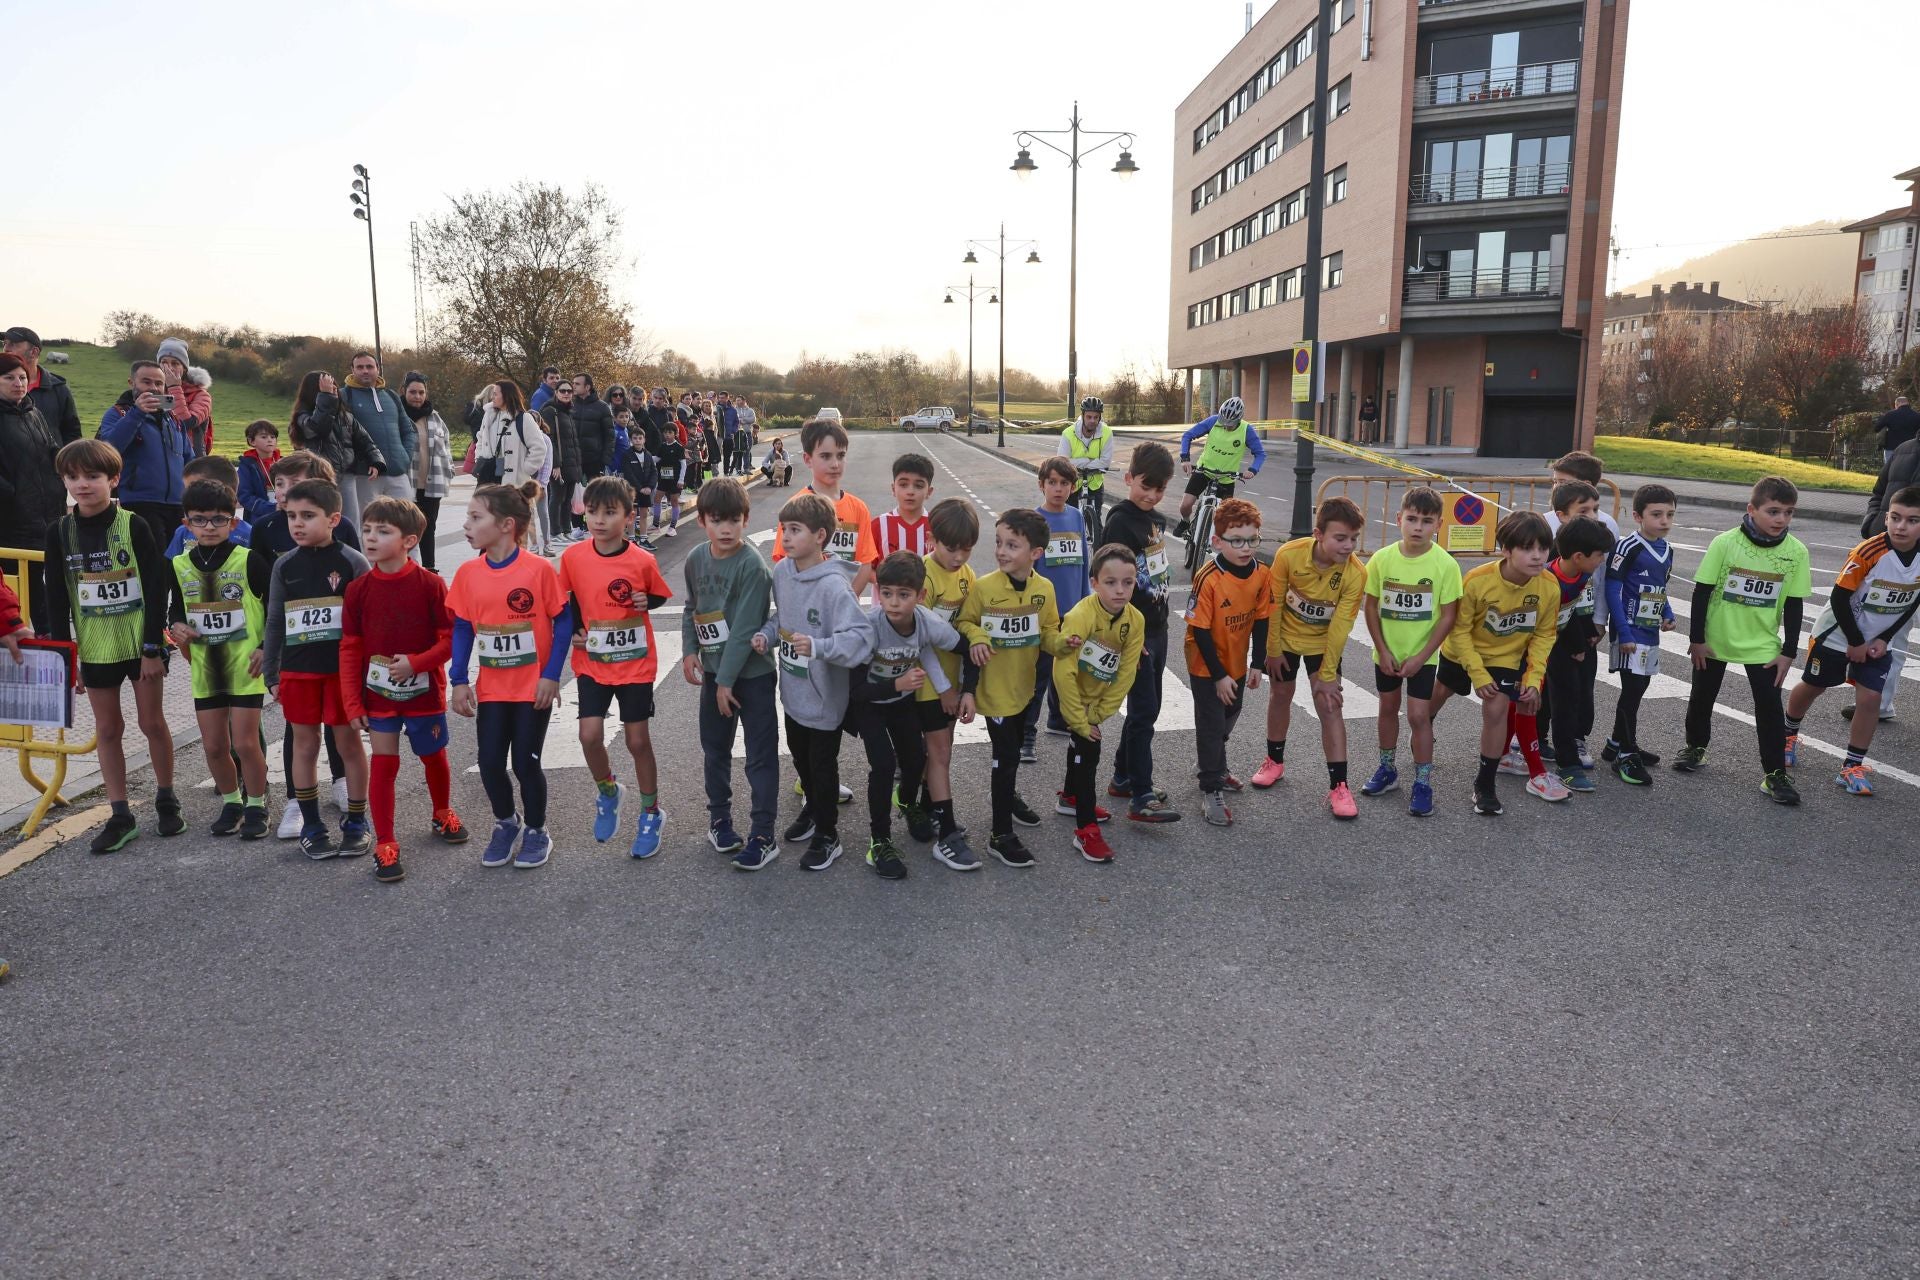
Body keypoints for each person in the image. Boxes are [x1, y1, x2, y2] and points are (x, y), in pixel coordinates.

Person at [43, 439, 181, 852]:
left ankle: (166, 798)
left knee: (151, 722)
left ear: (113, 479)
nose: (82, 484)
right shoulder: (59, 532)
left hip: (140, 644)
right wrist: (64, 655)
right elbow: (56, 598)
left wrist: (154, 646)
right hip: (95, 648)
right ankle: (120, 814)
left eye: (92, 476)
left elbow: (156, 587)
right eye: (73, 477)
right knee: (107, 729)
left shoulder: (134, 525)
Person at [340, 496, 464, 885]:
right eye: (367, 530)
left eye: (383, 531)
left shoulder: (430, 585)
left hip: (424, 693)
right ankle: (386, 842)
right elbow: (350, 647)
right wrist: (352, 699)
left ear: (409, 541)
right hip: (378, 697)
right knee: (384, 763)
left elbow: (450, 639)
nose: (371, 538)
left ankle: (442, 812)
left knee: (433, 757)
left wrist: (417, 663)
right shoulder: (358, 590)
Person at [448, 481, 571, 869]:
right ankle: (506, 822)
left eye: (474, 517)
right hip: (493, 688)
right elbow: (463, 627)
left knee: (525, 763)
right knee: (488, 762)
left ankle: (537, 830)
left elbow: (564, 622)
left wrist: (552, 675)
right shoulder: (468, 574)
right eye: (467, 516)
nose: (466, 524)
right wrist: (458, 680)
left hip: (533, 688)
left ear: (505, 525)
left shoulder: (537, 570)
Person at [752, 492, 874, 872]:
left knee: (822, 766)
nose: (785, 537)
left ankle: (828, 833)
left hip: (825, 700)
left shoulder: (835, 587)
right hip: (792, 693)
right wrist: (767, 635)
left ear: (820, 536)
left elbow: (861, 639)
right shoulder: (783, 572)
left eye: (794, 530)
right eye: (783, 529)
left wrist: (819, 647)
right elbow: (782, 619)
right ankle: (816, 810)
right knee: (801, 760)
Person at [1671, 477, 1810, 805]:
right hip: (1716, 639)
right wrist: (1697, 640)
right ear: (1752, 509)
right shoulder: (1725, 543)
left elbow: (1794, 604)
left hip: (1762, 645)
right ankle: (1695, 746)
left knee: (1770, 709)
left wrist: (1789, 651)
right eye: (1773, 511)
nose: (1781, 520)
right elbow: (1702, 590)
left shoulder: (1796, 552)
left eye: (1788, 513)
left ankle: (1774, 774)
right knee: (1702, 696)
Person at [559, 477, 673, 858]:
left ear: (627, 517)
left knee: (636, 741)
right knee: (588, 735)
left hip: (635, 664)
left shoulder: (642, 560)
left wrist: (646, 602)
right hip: (592, 660)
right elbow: (570, 598)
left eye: (610, 513)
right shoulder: (573, 557)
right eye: (593, 512)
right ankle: (609, 791)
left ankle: (651, 812)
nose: (600, 520)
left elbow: (656, 595)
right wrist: (575, 629)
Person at [260, 477, 372, 859]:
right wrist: (271, 672)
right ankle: (310, 822)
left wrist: (367, 676)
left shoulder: (353, 561)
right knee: (303, 745)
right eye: (291, 516)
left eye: (308, 516)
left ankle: (356, 821)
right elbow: (274, 621)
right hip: (299, 671)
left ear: (334, 518)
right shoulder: (284, 565)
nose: (298, 524)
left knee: (348, 744)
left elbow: (368, 623)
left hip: (343, 674)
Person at [1783, 485, 1920, 797]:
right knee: (1816, 685)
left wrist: (1885, 637)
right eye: (1896, 518)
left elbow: (1913, 599)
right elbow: (1840, 597)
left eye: (1913, 520)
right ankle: (1788, 734)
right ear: (1886, 518)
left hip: (1875, 641)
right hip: (1838, 634)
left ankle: (1851, 767)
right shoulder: (1869, 552)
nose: (1902, 526)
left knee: (1871, 699)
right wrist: (1855, 641)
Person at [955, 508, 1071, 868]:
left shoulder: (1044, 589)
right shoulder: (985, 587)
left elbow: (1049, 632)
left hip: (1026, 689)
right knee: (1004, 759)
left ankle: (1010, 797)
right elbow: (964, 621)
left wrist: (1065, 643)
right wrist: (975, 637)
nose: (1002, 551)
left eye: (1012, 545)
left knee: (1014, 753)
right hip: (995, 691)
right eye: (999, 543)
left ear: (1035, 553)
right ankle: (1000, 834)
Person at [1428, 511, 1561, 816]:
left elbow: (1543, 636)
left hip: (1505, 658)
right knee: (1435, 699)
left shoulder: (1549, 586)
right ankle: (1426, 725)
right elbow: (1459, 631)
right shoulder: (1477, 581)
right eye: (1528, 548)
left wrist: (1532, 680)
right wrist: (1476, 672)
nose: (1538, 556)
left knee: (1497, 708)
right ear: (1506, 550)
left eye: (1543, 548)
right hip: (1463, 651)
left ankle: (1484, 785)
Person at [680, 477, 781, 871]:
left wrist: (725, 682)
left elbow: (742, 630)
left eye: (734, 520)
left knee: (759, 755)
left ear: (746, 520)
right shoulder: (695, 559)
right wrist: (690, 648)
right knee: (715, 749)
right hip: (714, 674)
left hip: (751, 676)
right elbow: (693, 607)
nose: (726, 528)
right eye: (716, 519)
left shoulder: (753, 567)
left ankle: (762, 834)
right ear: (701, 520)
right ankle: (719, 819)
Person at [849, 551, 969, 878]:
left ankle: (907, 802)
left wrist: (961, 689)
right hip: (870, 705)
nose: (893, 602)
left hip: (901, 703)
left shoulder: (928, 622)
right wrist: (897, 683)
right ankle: (880, 841)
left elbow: (965, 645)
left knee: (916, 759)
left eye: (904, 595)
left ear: (921, 596)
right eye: (886, 593)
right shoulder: (868, 626)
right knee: (885, 765)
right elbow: (857, 691)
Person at [165, 477, 272, 839]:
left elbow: (273, 609)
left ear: (233, 521)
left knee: (244, 743)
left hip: (245, 666)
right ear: (186, 524)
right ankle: (231, 801)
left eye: (217, 519)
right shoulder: (179, 565)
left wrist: (265, 649)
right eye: (199, 520)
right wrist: (176, 627)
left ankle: (257, 803)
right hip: (206, 669)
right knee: (214, 745)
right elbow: (175, 612)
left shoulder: (251, 560)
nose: (208, 527)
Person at [1254, 496, 1366, 818]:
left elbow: (1341, 628)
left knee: (1329, 706)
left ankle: (1339, 786)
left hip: (1322, 644)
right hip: (1285, 638)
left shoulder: (1355, 574)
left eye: (1354, 539)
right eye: (1340, 538)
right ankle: (1274, 761)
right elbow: (1273, 605)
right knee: (1279, 695)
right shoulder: (1289, 555)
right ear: (1319, 534)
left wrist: (1328, 675)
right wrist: (1271, 651)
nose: (1348, 546)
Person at [1357, 487, 1461, 816]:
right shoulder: (1382, 559)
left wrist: (1422, 656)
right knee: (1387, 708)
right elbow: (1370, 608)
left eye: (1426, 521)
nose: (1418, 527)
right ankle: (1387, 769)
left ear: (1438, 525)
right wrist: (1381, 648)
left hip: (1424, 656)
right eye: (1412, 519)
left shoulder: (1445, 564)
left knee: (1418, 716)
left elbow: (1448, 616)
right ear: (1399, 519)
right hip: (1387, 653)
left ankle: (1423, 782)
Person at [1101, 441, 1181, 823]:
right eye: (1145, 486)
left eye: (1160, 489)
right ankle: (1142, 794)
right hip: (1137, 634)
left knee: (1146, 709)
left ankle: (1123, 777)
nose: (1151, 495)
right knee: (1144, 712)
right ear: (1129, 477)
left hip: (1158, 628)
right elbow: (1109, 583)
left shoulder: (1155, 521)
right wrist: (1126, 635)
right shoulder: (1120, 521)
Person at [1183, 498, 1273, 827]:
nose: (1246, 547)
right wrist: (1219, 675)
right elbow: (1200, 631)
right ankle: (1211, 788)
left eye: (1252, 539)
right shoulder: (1208, 578)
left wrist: (1257, 663)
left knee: (1229, 716)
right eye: (1237, 540)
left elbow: (1263, 620)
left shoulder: (1262, 574)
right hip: (1206, 663)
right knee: (1211, 725)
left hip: (1236, 659)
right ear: (1217, 541)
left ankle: (1214, 763)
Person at [1055, 544, 1145, 863]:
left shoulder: (1135, 620)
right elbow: (1063, 670)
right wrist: (1080, 718)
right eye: (1110, 582)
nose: (1120, 590)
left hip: (1096, 699)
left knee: (1083, 747)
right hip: (1069, 694)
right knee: (1088, 752)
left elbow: (1124, 674)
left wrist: (1101, 711)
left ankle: (1070, 796)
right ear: (1094, 582)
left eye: (1128, 582)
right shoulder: (1081, 615)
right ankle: (1085, 829)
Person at [910, 498, 984, 871]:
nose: (958, 557)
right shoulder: (922, 578)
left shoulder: (967, 576)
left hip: (951, 681)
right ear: (930, 539)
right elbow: (920, 642)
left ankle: (926, 808)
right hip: (927, 682)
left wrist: (964, 685)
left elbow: (966, 628)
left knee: (940, 750)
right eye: (950, 547)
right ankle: (947, 836)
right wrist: (944, 688)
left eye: (966, 549)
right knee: (939, 754)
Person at [1602, 484, 1678, 785]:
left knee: (1641, 687)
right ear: (1637, 516)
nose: (1665, 521)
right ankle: (1626, 754)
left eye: (1670, 514)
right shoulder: (1627, 547)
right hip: (1629, 631)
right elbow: (1612, 588)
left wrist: (1668, 613)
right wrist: (1622, 632)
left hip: (1649, 631)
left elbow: (1660, 588)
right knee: (1631, 691)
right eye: (1657, 514)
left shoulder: (1667, 550)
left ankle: (1615, 744)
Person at [1542, 516, 1615, 793]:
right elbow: (1558, 613)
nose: (1601, 561)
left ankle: (1543, 747)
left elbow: (1571, 610)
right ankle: (1568, 766)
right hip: (1541, 643)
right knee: (1563, 700)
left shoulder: (1580, 571)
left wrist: (1586, 635)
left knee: (1563, 696)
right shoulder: (1550, 580)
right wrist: (1576, 648)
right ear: (1578, 556)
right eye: (1599, 556)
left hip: (1559, 636)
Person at [1025, 456, 1091, 757]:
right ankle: (1026, 736)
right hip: (1044, 614)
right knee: (1038, 676)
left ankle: (1058, 718)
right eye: (1052, 482)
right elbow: (1028, 568)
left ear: (1072, 487)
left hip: (1072, 609)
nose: (1058, 488)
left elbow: (1083, 560)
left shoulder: (1077, 517)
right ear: (1042, 485)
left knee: (1065, 670)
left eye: (1064, 483)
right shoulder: (1035, 522)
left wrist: (1085, 602)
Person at [774, 418, 881, 599]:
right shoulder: (795, 506)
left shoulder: (858, 508)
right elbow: (784, 562)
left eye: (840, 455)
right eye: (825, 456)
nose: (835, 464)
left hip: (844, 605)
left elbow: (865, 563)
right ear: (808, 459)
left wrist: (845, 601)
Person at [98, 359, 199, 550]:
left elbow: (189, 460)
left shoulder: (173, 419)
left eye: (159, 383)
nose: (153, 388)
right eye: (146, 382)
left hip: (178, 504)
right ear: (132, 383)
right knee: (155, 563)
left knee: (178, 563)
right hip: (140, 502)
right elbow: (108, 450)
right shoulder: (118, 413)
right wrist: (136, 413)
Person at [0, 352, 67, 611]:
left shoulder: (33, 412)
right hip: (12, 518)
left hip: (47, 512)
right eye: (9, 378)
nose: (19, 383)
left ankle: (45, 636)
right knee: (18, 583)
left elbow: (52, 449)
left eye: (22, 377)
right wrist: (12, 494)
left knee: (48, 579)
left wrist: (67, 473)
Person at [1861, 436, 1920, 722]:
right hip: (1888, 553)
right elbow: (1880, 489)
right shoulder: (1905, 448)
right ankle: (1879, 704)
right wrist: (1873, 519)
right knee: (1890, 628)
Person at [290, 371, 378, 534]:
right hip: (318, 478)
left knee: (350, 525)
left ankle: (351, 558)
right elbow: (319, 428)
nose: (334, 391)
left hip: (346, 477)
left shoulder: (346, 416)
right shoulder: (302, 417)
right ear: (315, 393)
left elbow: (365, 440)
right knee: (323, 524)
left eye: (334, 387)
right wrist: (326, 397)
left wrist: (375, 461)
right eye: (328, 389)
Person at [339, 351, 417, 528]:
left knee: (407, 525)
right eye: (360, 367)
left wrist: (405, 457)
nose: (365, 371)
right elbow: (342, 436)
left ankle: (412, 558)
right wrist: (361, 462)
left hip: (397, 472)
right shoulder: (344, 396)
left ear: (378, 369)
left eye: (369, 366)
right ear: (352, 370)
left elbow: (409, 430)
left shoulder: (391, 396)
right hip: (365, 476)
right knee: (368, 527)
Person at [1175, 396, 1264, 538]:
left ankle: (1206, 540)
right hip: (1204, 471)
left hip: (1227, 478)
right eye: (1224, 421)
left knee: (1224, 519)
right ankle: (1185, 522)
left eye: (1230, 423)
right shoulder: (1213, 421)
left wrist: (1253, 470)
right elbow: (1187, 435)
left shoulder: (1246, 430)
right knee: (1185, 505)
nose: (1226, 425)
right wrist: (1185, 459)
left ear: (1239, 419)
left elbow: (1260, 454)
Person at [401, 373, 453, 572]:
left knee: (428, 527)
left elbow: (446, 445)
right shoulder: (399, 416)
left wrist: (449, 470)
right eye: (412, 392)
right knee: (407, 527)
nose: (417, 396)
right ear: (404, 391)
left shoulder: (435, 417)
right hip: (407, 481)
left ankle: (429, 568)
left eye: (421, 392)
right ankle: (407, 568)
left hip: (432, 483)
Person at [162, 456, 252, 559]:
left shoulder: (248, 535)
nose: (188, 497)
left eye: (195, 489)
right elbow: (170, 568)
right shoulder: (183, 532)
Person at [3, 326, 81, 442]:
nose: (6, 349)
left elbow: (72, 434)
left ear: (34, 352)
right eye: (5, 343)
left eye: (13, 344)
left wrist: (62, 459)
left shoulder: (58, 389)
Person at [1058, 396, 1114, 528]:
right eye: (1089, 417)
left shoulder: (1106, 433)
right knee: (1069, 519)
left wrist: (1076, 463)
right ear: (1082, 416)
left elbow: (1105, 462)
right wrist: (1088, 461)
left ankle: (1097, 546)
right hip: (1072, 482)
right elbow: (1062, 461)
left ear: (1100, 417)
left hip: (1094, 482)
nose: (1092, 421)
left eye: (1096, 417)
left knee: (1095, 522)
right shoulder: (1068, 433)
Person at [540, 376, 581, 548]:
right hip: (559, 463)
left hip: (571, 462)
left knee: (567, 498)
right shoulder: (550, 411)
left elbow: (572, 440)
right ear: (556, 393)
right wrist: (555, 463)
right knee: (557, 497)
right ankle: (555, 532)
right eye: (562, 391)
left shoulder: (569, 412)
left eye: (569, 391)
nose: (566, 394)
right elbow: (549, 439)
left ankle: (566, 530)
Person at [155, 337, 214, 459]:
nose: (169, 368)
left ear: (184, 369)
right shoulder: (154, 392)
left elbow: (185, 423)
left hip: (191, 461)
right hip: (160, 458)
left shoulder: (201, 395)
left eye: (175, 363)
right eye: (164, 362)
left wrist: (174, 387)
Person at [569, 372, 617, 488]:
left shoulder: (602, 407)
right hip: (573, 459)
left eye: (577, 384)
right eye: (573, 383)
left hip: (594, 461)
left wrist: (604, 460)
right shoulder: (569, 405)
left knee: (595, 496)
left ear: (587, 387)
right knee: (573, 499)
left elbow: (610, 436)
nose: (573, 386)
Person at [236, 420, 281, 524]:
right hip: (258, 519)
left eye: (273, 437)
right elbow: (244, 496)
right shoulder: (247, 465)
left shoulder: (284, 462)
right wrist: (271, 508)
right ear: (252, 441)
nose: (270, 440)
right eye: (264, 437)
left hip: (284, 514)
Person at [1877, 395, 1920, 464]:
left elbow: (1877, 428)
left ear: (1897, 404)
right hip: (1910, 449)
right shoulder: (1917, 416)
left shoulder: (1890, 415)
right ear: (1908, 403)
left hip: (1891, 448)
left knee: (1889, 471)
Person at [735, 396, 759, 473]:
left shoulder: (750, 410)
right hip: (737, 434)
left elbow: (753, 419)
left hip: (747, 433)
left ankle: (746, 468)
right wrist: (740, 420)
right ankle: (738, 468)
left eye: (739, 400)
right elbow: (734, 419)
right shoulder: (734, 410)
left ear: (744, 401)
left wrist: (744, 419)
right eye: (736, 400)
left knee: (747, 451)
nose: (737, 402)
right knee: (738, 451)